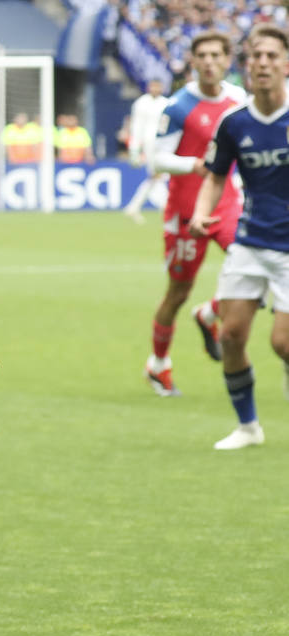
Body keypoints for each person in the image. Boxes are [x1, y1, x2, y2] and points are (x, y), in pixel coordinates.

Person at [190, 24, 289, 450]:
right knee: (229, 336)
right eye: (255, 57)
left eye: (270, 56)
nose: (262, 63)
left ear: (286, 64)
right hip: (250, 242)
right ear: (247, 66)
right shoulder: (235, 122)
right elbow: (215, 177)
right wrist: (200, 213)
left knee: (282, 342)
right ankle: (248, 427)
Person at [145, 32, 245, 396]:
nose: (209, 61)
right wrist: (195, 164)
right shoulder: (178, 106)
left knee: (255, 265)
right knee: (177, 292)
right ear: (193, 61)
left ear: (227, 59)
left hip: (226, 204)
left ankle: (209, 313)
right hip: (185, 213)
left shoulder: (238, 101)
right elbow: (157, 158)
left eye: (216, 55)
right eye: (202, 55)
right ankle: (158, 365)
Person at [122, 78, 170, 223]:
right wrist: (135, 148)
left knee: (157, 176)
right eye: (153, 86)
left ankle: (133, 207)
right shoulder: (141, 103)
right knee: (157, 175)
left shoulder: (166, 103)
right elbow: (137, 127)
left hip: (163, 144)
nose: (155, 89)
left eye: (158, 86)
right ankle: (167, 207)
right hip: (149, 144)